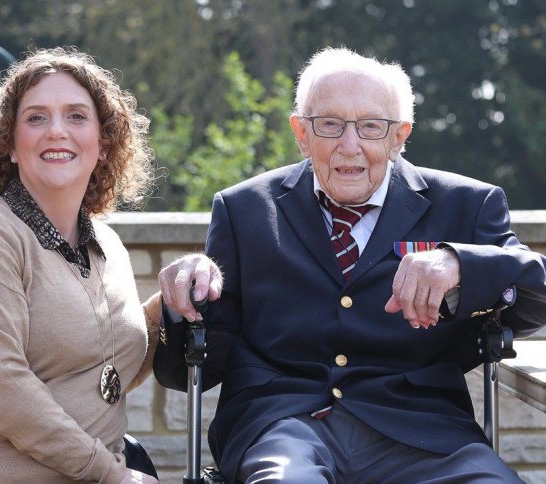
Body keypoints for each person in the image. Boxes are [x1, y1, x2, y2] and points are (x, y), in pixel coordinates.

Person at [156, 46, 546, 483]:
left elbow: (535, 299)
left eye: (370, 127)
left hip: (423, 432)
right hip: (282, 428)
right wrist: (184, 297)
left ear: (400, 135)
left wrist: (462, 264)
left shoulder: (467, 205)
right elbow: (192, 367)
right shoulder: (244, 209)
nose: (349, 145)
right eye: (329, 125)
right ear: (301, 133)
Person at [0, 47, 161, 483]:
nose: (56, 131)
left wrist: (173, 300)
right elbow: (4, 388)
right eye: (36, 118)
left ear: (103, 143)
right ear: (11, 146)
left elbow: (99, 369)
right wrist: (113, 475)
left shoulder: (107, 245)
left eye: (76, 116)